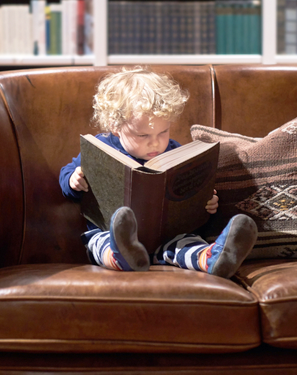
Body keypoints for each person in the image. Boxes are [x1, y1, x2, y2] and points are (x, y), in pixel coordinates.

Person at [59, 67, 258, 278]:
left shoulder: (173, 153)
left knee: (185, 242)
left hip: (166, 238)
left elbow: (189, 198)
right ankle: (122, 255)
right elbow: (67, 175)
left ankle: (212, 258)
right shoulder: (100, 149)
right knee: (98, 242)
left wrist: (206, 206)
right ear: (115, 126)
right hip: (108, 233)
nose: (155, 142)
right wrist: (73, 180)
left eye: (163, 132)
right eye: (142, 135)